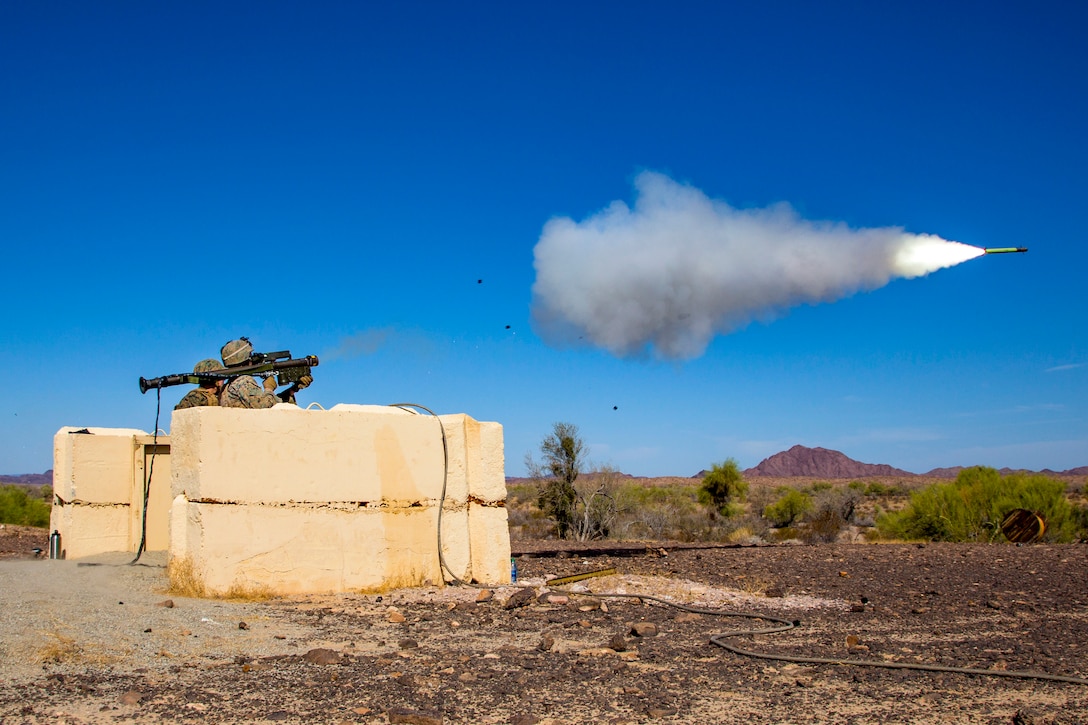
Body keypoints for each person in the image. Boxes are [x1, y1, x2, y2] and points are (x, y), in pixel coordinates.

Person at [218, 337, 312, 408]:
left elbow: (274, 403)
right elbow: (264, 408)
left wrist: (293, 390)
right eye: (250, 355)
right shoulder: (243, 381)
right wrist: (269, 388)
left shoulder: (229, 385)